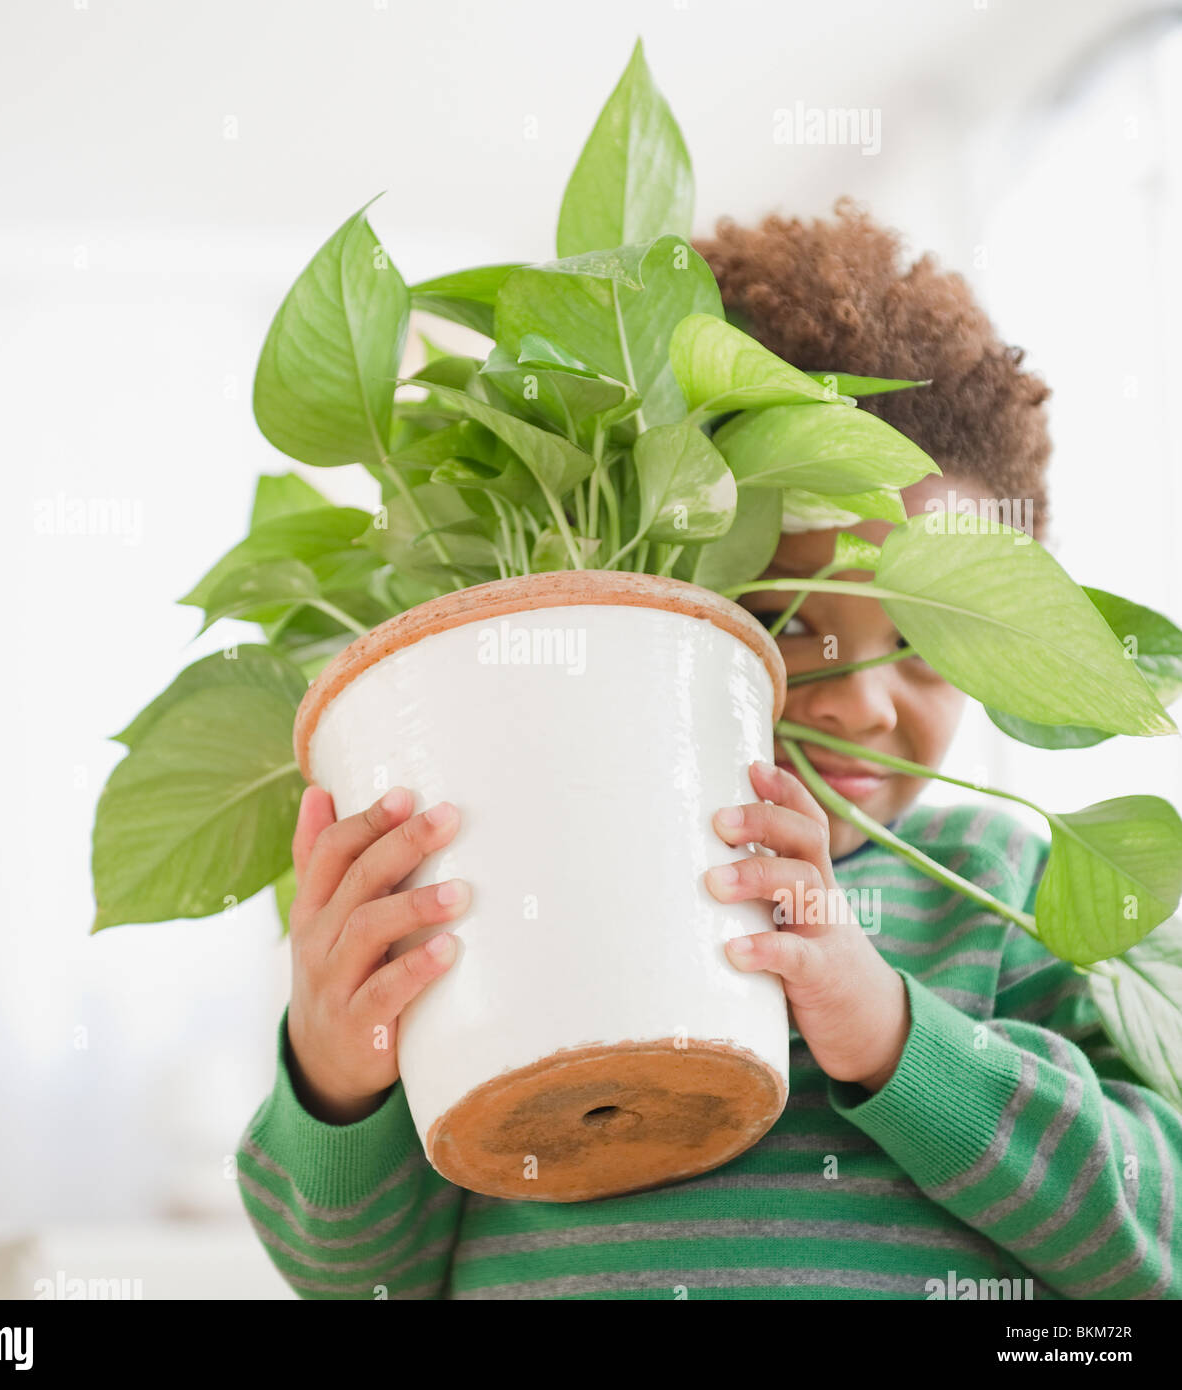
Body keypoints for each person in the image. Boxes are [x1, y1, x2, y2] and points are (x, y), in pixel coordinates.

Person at [234, 199, 1181, 1300]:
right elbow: (359, 1279)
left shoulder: (998, 889)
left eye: (929, 643)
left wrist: (891, 1035)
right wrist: (337, 1073)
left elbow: (1154, 1241)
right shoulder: (504, 886)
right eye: (789, 627)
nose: (867, 703)